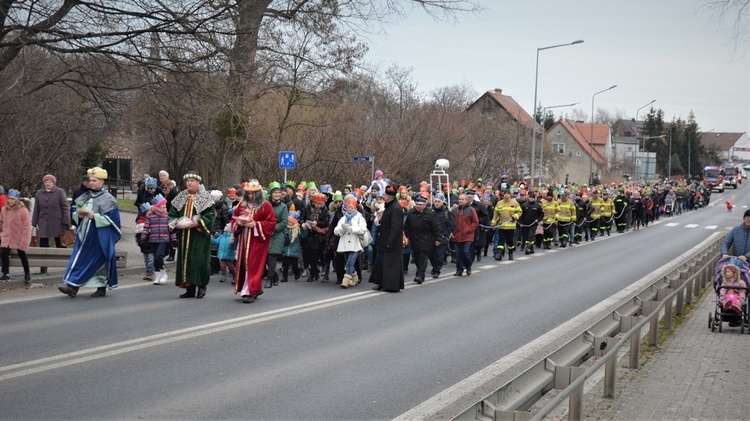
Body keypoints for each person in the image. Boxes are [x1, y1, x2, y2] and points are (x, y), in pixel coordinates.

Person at [58, 167, 121, 298]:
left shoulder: (109, 199)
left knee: (97, 261)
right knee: (80, 259)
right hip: (83, 236)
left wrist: (94, 216)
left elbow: (113, 220)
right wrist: (78, 214)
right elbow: (74, 214)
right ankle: (72, 286)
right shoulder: (84, 196)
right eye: (90, 180)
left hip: (99, 237)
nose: (91, 183)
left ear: (102, 181)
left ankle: (99, 287)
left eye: (94, 180)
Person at [168, 171, 216, 299]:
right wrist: (175, 223)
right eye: (188, 181)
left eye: (192, 180)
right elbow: (172, 214)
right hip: (184, 235)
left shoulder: (205, 197)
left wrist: (197, 223)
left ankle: (201, 286)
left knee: (199, 260)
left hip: (199, 236)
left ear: (198, 182)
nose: (189, 183)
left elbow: (210, 216)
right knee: (186, 261)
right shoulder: (180, 196)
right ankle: (189, 288)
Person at [232, 180, 276, 303]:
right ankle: (254, 288)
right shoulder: (242, 205)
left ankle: (250, 291)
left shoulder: (266, 206)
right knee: (245, 264)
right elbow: (233, 219)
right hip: (244, 239)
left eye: (253, 194)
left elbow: (271, 223)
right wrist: (239, 223)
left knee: (253, 264)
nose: (251, 196)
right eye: (249, 193)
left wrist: (255, 224)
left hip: (258, 240)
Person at [32, 174, 70, 272]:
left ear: (53, 183)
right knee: (43, 243)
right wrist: (34, 221)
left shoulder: (60, 192)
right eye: (46, 182)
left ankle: (65, 266)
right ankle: (43, 268)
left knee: (60, 243)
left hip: (57, 221)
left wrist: (66, 221)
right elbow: (36, 208)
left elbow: (65, 207)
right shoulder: (39, 193)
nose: (47, 184)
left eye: (49, 182)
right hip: (43, 221)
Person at [369, 184, 404, 292]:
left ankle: (391, 285)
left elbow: (396, 227)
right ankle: (380, 282)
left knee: (390, 265)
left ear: (390, 197)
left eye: (385, 194)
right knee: (381, 263)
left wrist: (390, 241)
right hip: (384, 240)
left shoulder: (396, 208)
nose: (383, 195)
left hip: (391, 242)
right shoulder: (389, 206)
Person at [404, 195, 439, 284]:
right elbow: (407, 225)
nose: (418, 206)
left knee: (422, 257)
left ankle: (419, 275)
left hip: (426, 239)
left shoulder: (430, 214)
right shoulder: (411, 212)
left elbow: (436, 227)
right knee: (416, 257)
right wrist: (406, 236)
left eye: (420, 204)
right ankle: (420, 274)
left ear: (424, 205)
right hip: (414, 239)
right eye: (417, 204)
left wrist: (438, 238)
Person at [0, 189, 33, 283]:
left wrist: (24, 241)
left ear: (17, 200)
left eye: (12, 199)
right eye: (9, 199)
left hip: (18, 236)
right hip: (6, 236)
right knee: (4, 253)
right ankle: (5, 273)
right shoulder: (4, 209)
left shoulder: (23, 211)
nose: (10, 201)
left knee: (22, 254)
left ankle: (27, 272)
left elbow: (26, 227)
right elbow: (1, 222)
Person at [334, 198, 367, 288]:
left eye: (352, 208)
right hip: (345, 244)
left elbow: (363, 229)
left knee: (350, 262)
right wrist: (342, 230)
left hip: (355, 243)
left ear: (355, 208)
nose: (350, 209)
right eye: (348, 207)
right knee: (348, 261)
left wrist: (352, 229)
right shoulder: (343, 218)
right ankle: (355, 278)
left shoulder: (359, 218)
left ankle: (346, 280)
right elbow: (336, 230)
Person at [142, 195, 174, 285]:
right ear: (158, 205)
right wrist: (143, 238)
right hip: (154, 238)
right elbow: (146, 227)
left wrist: (174, 240)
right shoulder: (150, 215)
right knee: (155, 258)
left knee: (159, 256)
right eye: (163, 204)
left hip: (164, 239)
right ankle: (157, 275)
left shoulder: (167, 215)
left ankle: (163, 272)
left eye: (165, 205)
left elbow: (172, 228)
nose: (164, 206)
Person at [266, 182, 289, 289]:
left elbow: (284, 222)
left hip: (277, 234)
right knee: (265, 257)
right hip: (266, 233)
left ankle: (269, 279)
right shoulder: (266, 205)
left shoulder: (283, 207)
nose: (277, 195)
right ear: (271, 194)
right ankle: (273, 275)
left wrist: (274, 228)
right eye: (275, 193)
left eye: (278, 193)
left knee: (272, 255)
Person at [451, 193, 479, 276]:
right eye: (460, 199)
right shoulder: (454, 210)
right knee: (458, 254)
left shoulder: (471, 210)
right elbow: (451, 222)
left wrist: (468, 229)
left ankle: (468, 266)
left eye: (463, 199)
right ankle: (459, 270)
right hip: (457, 235)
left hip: (467, 236)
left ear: (466, 200)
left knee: (466, 252)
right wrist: (452, 231)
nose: (461, 201)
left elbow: (475, 222)